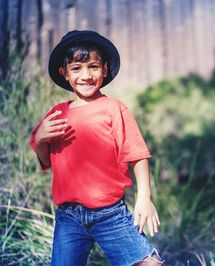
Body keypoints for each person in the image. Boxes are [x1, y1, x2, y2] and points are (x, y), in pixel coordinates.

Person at [30, 30, 163, 266]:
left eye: (93, 66)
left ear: (104, 70)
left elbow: (138, 155)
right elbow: (46, 160)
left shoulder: (114, 109)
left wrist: (144, 197)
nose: (86, 75)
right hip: (68, 217)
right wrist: (40, 139)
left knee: (148, 263)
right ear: (65, 74)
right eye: (77, 68)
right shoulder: (57, 113)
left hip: (110, 213)